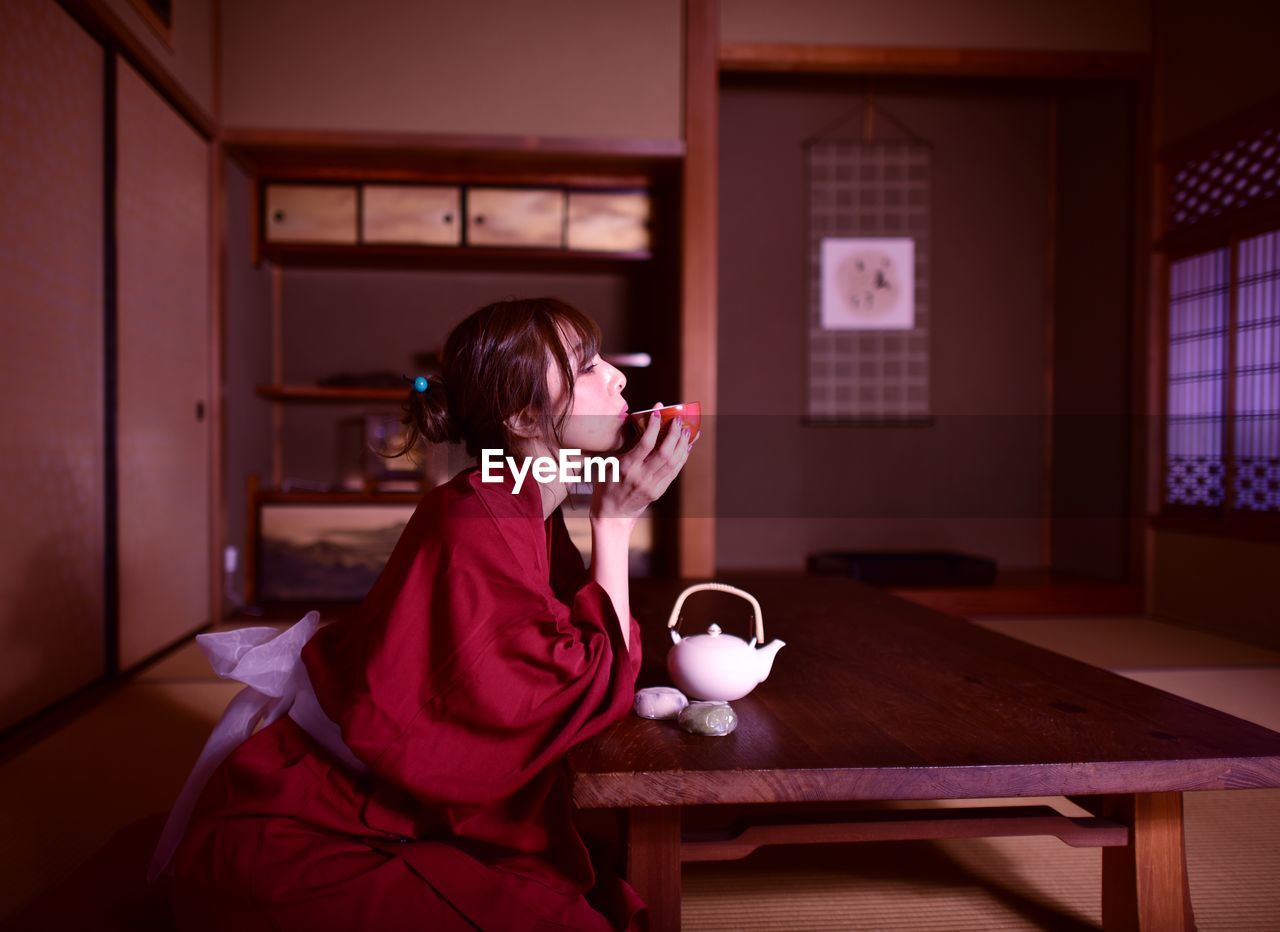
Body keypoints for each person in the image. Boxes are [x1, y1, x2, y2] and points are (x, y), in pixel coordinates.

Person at [155, 297, 693, 930]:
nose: (618, 378)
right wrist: (616, 518)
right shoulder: (472, 517)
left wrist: (608, 512)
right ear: (523, 414)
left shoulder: (522, 503)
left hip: (391, 802)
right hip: (320, 819)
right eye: (586, 368)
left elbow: (588, 655)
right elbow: (577, 682)